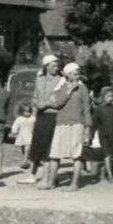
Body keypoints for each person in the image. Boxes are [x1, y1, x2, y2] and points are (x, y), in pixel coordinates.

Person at [43, 62, 91, 191]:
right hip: (61, 123)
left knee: (76, 155)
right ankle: (51, 182)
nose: (76, 75)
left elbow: (86, 108)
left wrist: (88, 128)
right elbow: (58, 103)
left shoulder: (83, 88)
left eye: (78, 73)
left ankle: (74, 184)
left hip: (77, 124)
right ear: (67, 74)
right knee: (55, 154)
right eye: (74, 73)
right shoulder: (61, 87)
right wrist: (69, 90)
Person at [20, 54, 65, 185]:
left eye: (57, 66)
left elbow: (60, 100)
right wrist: (36, 105)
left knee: (51, 146)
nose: (56, 68)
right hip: (40, 115)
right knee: (38, 144)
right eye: (53, 66)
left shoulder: (61, 80)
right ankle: (33, 175)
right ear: (46, 66)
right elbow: (34, 96)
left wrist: (46, 104)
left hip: (53, 115)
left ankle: (52, 176)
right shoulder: (39, 79)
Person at [10, 102, 36, 168]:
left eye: (29, 112)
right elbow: (15, 125)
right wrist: (14, 131)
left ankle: (25, 161)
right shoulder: (19, 119)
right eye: (25, 112)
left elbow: (36, 126)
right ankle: (25, 159)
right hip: (21, 135)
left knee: (27, 148)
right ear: (22, 112)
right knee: (23, 148)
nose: (27, 113)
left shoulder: (33, 118)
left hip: (30, 135)